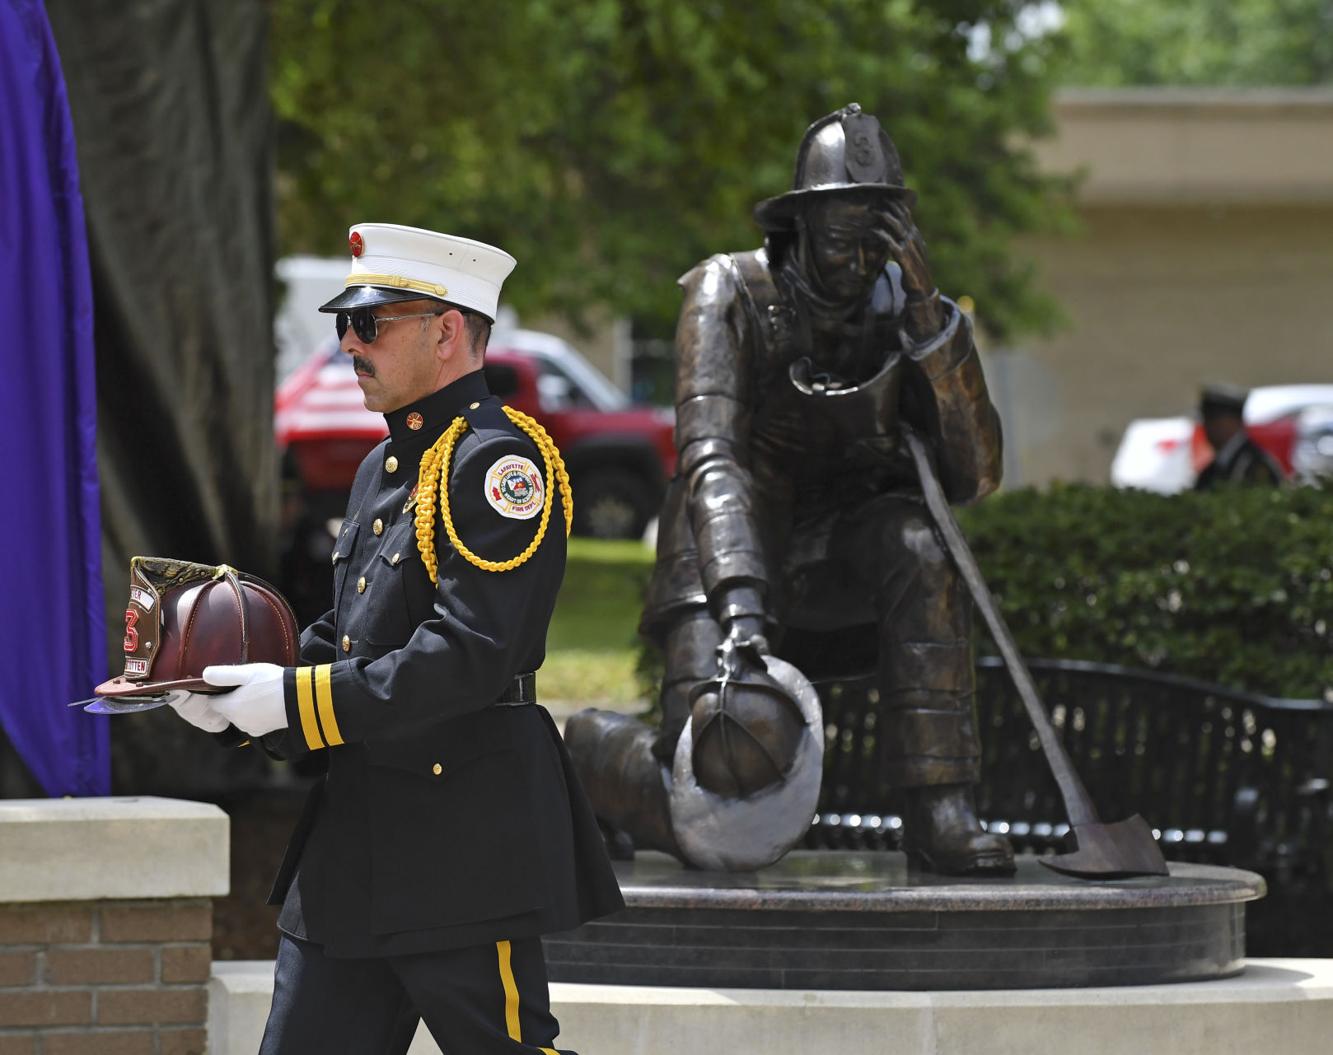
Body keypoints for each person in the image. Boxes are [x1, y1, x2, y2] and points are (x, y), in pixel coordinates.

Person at [167, 222, 623, 1054]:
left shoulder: (497, 464)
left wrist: (295, 705)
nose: (347, 341)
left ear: (447, 331)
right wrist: (238, 697)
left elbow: (467, 655)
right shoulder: (389, 466)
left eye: (370, 323)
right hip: (353, 850)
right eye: (346, 321)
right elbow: (349, 638)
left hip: (462, 844)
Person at [566, 105, 1014, 876]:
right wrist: (737, 604)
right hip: (723, 558)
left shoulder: (916, 317)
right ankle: (589, 758)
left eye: (874, 242)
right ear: (801, 226)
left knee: (920, 540)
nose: (854, 263)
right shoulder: (727, 293)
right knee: (706, 800)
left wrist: (929, 330)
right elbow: (711, 459)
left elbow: (973, 476)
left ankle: (941, 806)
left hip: (842, 555)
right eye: (840, 239)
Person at [1194, 384, 1284, 490]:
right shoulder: (1211, 471)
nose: (1207, 426)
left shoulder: (1254, 466)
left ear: (1233, 421)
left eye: (1214, 419)